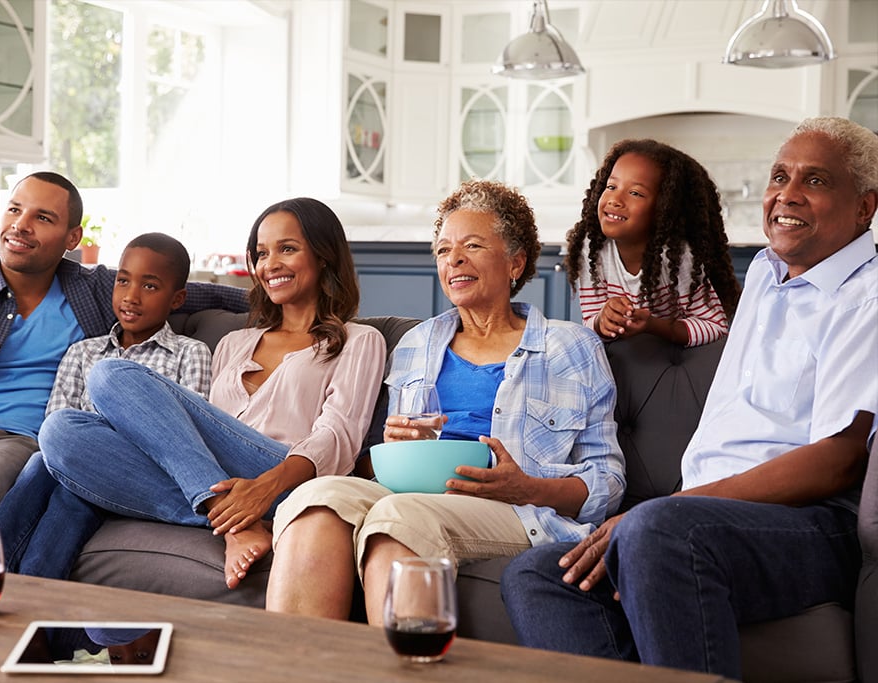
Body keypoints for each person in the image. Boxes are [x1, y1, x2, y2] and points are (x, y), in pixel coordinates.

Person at [500, 117, 877, 679]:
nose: (786, 195)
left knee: (654, 534)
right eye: (779, 176)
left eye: (816, 181)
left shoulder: (865, 297)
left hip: (811, 525)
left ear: (866, 207)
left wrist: (667, 511)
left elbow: (839, 459)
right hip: (701, 516)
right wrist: (675, 510)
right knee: (536, 574)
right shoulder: (766, 283)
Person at [265, 179, 625, 624]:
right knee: (316, 498)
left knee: (399, 515)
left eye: (472, 245)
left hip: (517, 509)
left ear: (516, 262)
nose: (453, 259)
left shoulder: (569, 347)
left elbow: (607, 481)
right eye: (442, 250)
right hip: (411, 492)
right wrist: (389, 451)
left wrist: (528, 486)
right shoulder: (417, 343)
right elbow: (374, 466)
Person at [0, 171, 248, 563]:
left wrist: (282, 291)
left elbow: (194, 290)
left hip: (17, 440)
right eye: (14, 210)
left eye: (43, 218)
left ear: (72, 238)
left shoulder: (94, 289)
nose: (21, 226)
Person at [29, 197, 386, 588]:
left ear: (324, 256)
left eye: (287, 249)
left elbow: (338, 437)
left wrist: (266, 487)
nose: (271, 265)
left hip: (288, 478)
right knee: (60, 431)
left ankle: (233, 509)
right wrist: (232, 497)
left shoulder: (359, 340)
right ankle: (228, 518)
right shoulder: (234, 342)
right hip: (218, 477)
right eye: (262, 254)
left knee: (111, 375)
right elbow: (195, 430)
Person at [0, 232, 212, 578]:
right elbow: (55, 427)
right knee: (42, 465)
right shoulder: (84, 353)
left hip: (138, 473)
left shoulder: (190, 353)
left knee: (71, 491)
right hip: (72, 463)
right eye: (123, 281)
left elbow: (187, 435)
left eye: (150, 287)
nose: (131, 296)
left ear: (177, 298)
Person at [564, 139, 741, 347]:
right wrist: (604, 320)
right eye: (611, 186)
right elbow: (590, 323)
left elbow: (715, 326)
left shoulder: (677, 256)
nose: (615, 199)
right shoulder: (592, 247)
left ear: (664, 209)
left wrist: (653, 325)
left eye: (635, 193)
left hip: (674, 354)